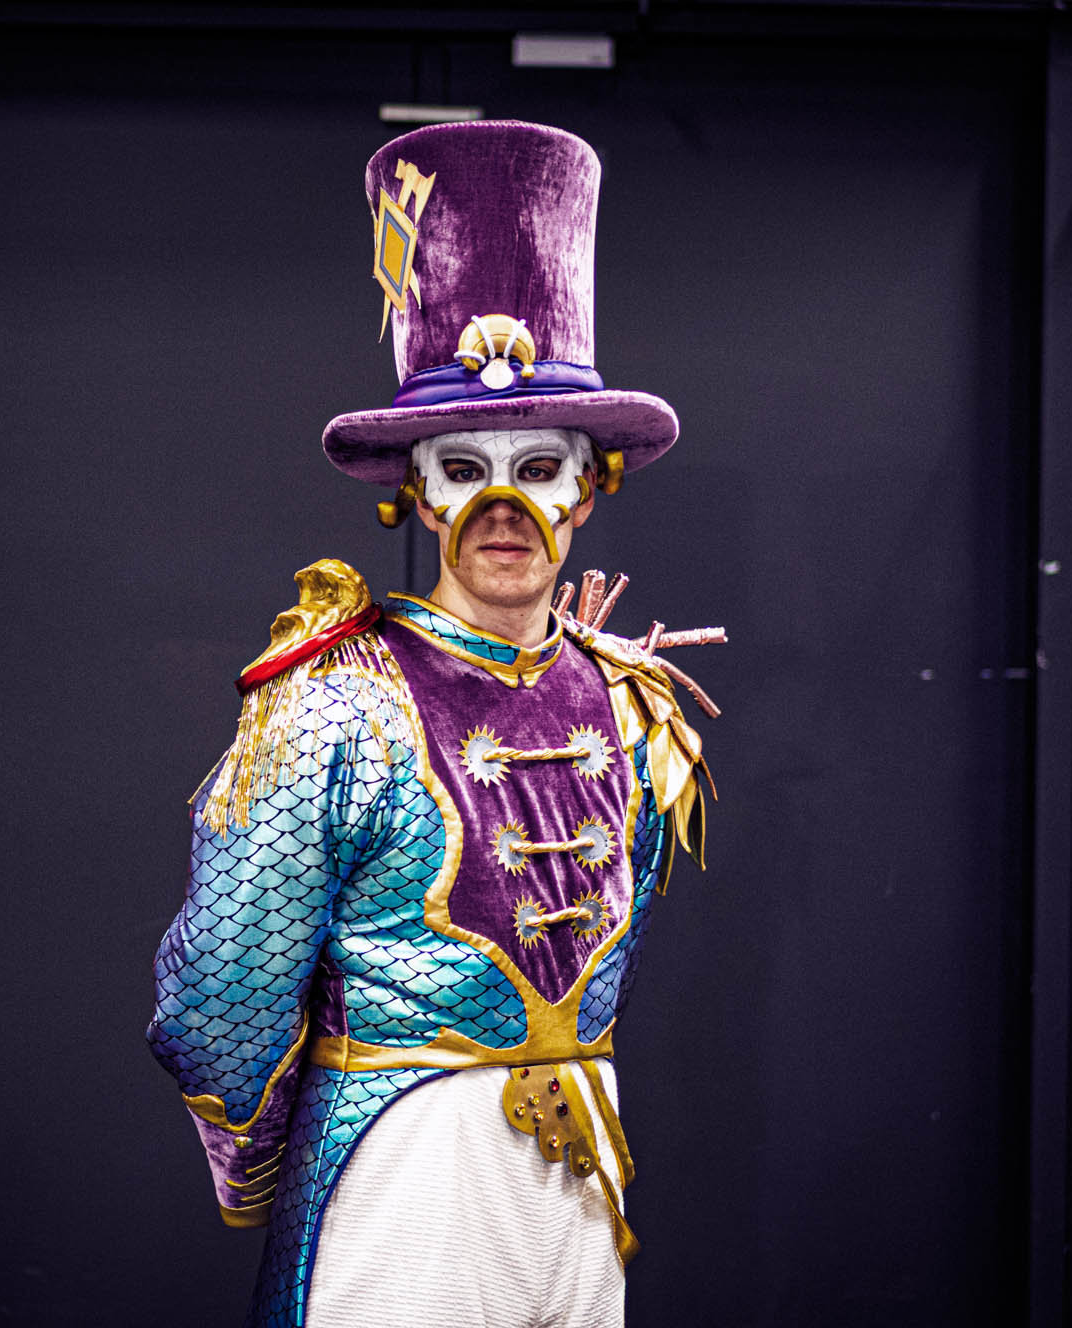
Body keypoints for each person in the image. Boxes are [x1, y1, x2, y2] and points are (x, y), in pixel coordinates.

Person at [148, 120, 721, 1328]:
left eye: (540, 463)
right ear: (413, 486)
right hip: (402, 1184)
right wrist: (268, 1161)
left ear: (590, 479)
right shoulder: (328, 699)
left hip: (577, 1180)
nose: (503, 504)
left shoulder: (629, 699)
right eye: (465, 465)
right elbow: (216, 1002)